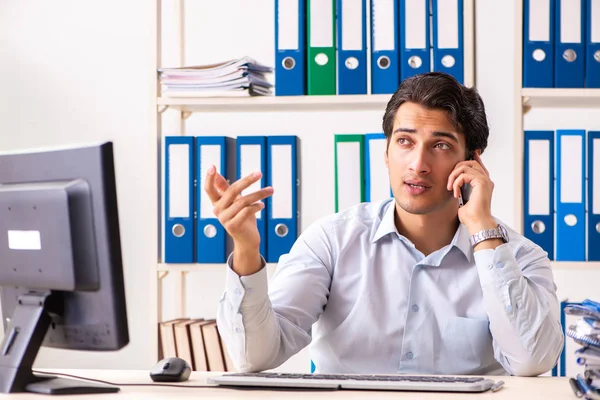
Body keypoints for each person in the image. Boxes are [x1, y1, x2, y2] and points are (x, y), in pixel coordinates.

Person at [205, 72, 564, 377]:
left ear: (471, 163)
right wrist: (246, 251)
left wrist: (483, 230)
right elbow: (255, 355)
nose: (418, 164)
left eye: (440, 145)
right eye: (405, 142)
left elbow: (531, 360)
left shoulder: (517, 257)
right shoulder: (333, 240)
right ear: (386, 152)